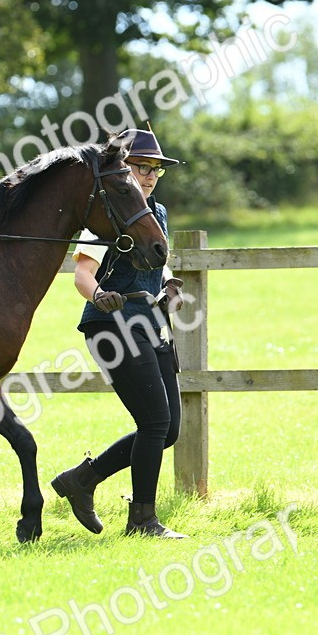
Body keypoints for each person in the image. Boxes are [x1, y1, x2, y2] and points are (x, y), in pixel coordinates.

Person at [50, 128, 188, 538]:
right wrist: (100, 296)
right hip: (110, 324)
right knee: (155, 422)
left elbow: (157, 264)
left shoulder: (156, 215)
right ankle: (143, 520)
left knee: (170, 429)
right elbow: (82, 274)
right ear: (122, 169)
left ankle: (83, 480)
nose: (148, 175)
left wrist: (169, 285)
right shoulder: (105, 215)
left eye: (155, 170)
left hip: (149, 324)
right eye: (141, 167)